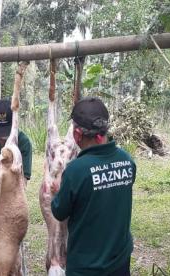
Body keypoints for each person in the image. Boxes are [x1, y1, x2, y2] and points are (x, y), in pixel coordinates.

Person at [51, 97, 136, 276]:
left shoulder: (76, 170)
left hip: (86, 267)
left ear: (77, 134)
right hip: (120, 262)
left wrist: (57, 191)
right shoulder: (127, 161)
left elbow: (59, 211)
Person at [0, 99, 32, 275]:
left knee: (15, 261)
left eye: (6, 133)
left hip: (11, 208)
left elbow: (23, 183)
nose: (2, 138)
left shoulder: (23, 142)